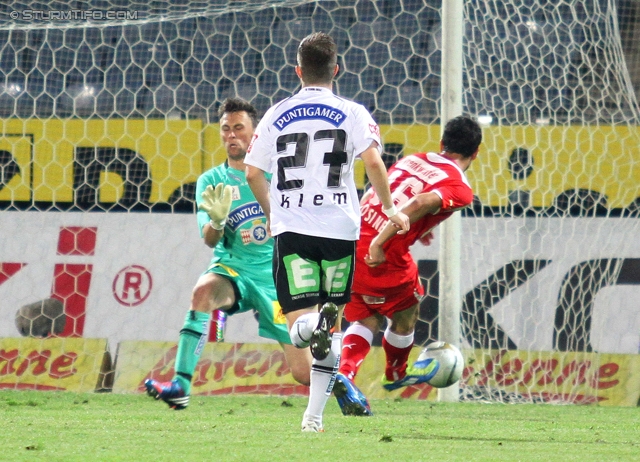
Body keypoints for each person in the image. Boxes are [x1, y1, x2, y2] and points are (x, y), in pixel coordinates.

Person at [245, 32, 409, 432]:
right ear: (337, 69)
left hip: (294, 229)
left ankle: (306, 326)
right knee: (330, 331)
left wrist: (273, 213)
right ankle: (313, 418)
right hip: (339, 230)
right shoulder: (352, 112)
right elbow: (373, 161)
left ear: (298, 70)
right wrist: (389, 207)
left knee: (301, 326)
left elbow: (252, 172)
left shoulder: (276, 113)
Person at [145, 97, 312, 410]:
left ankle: (343, 383)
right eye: (225, 129)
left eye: (238, 128)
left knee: (304, 372)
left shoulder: (280, 176)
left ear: (254, 132)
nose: (231, 135)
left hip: (277, 279)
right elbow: (209, 239)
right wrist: (218, 222)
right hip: (233, 269)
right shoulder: (211, 181)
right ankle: (180, 385)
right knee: (203, 292)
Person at [331, 115, 483, 416]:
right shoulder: (460, 188)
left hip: (350, 238)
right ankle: (396, 373)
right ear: (475, 153)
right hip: (381, 252)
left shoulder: (416, 158)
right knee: (408, 310)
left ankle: (345, 375)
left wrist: (417, 231)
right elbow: (420, 203)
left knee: (365, 319)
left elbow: (381, 191)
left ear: (442, 144)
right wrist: (379, 242)